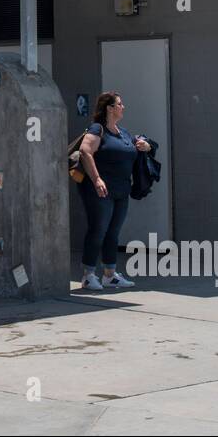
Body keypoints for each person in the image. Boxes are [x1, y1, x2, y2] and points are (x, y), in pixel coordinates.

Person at [76, 91, 152, 291]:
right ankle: (88, 275)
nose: (123, 107)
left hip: (121, 190)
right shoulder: (98, 129)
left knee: (113, 232)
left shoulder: (123, 132)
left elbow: (136, 148)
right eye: (120, 103)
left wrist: (145, 146)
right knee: (98, 230)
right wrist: (97, 179)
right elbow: (85, 151)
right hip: (100, 189)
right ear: (109, 108)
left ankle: (110, 275)